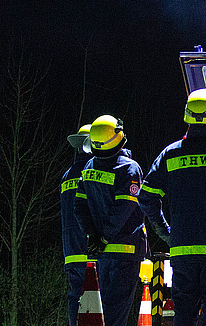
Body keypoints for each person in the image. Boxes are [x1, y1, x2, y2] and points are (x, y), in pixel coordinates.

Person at [139, 88, 206, 326]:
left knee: (184, 316)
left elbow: (146, 197)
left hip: (183, 250)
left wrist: (166, 232)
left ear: (187, 117)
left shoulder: (170, 154)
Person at [74, 115, 147, 326]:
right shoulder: (129, 168)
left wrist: (93, 236)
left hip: (100, 254)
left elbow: (79, 207)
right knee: (116, 313)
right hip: (125, 253)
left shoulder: (88, 167)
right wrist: (105, 237)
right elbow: (123, 209)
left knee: (100, 311)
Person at [61, 124, 93, 326]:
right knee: (97, 301)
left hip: (71, 250)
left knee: (75, 299)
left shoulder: (67, 175)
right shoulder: (92, 173)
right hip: (91, 248)